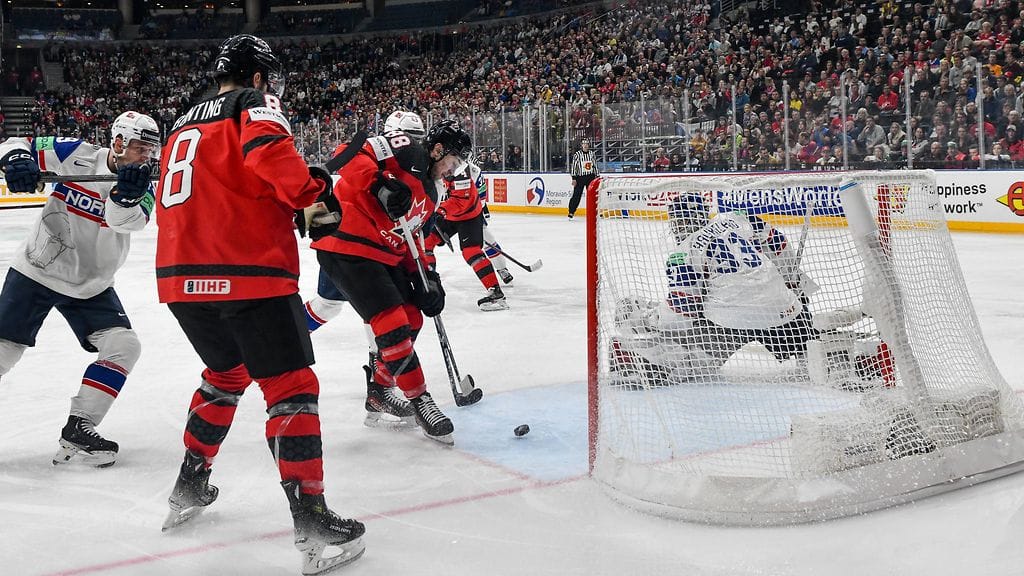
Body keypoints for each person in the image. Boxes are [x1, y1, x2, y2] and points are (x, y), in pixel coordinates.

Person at [154, 35, 364, 575]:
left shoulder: (182, 123)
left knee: (225, 375)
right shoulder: (254, 105)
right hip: (248, 274)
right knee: (290, 388)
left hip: (181, 280)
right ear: (257, 77)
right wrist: (311, 192)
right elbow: (272, 158)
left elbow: (214, 186)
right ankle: (311, 516)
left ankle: (189, 483)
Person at [0, 111, 159, 468]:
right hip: (37, 270)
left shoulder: (143, 185)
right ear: (117, 142)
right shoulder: (75, 153)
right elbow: (15, 143)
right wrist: (18, 160)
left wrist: (125, 196)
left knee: (123, 346)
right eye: (139, 148)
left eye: (150, 150)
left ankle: (80, 426)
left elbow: (125, 222)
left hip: (91, 282)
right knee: (3, 353)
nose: (146, 157)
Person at [610, 194, 890, 391]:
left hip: (729, 322)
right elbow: (778, 244)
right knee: (807, 346)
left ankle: (651, 362)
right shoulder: (737, 218)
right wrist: (789, 281)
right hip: (784, 310)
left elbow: (681, 316)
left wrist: (651, 319)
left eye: (677, 223)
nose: (676, 228)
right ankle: (856, 355)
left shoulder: (683, 254)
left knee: (695, 355)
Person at [310, 118, 471, 445]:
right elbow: (345, 153)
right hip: (344, 239)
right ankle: (420, 399)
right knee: (387, 320)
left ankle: (380, 391)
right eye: (451, 163)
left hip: (383, 253)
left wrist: (427, 278)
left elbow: (414, 239)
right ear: (438, 150)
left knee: (412, 316)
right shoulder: (406, 149)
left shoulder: (434, 191)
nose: (451, 171)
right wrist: (378, 184)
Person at [434, 157, 509, 311]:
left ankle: (498, 286)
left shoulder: (466, 170)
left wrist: (483, 211)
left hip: (470, 213)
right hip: (449, 213)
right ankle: (426, 284)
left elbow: (464, 200)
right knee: (426, 241)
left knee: (472, 251)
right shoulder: (435, 163)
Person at [567, 138, 598, 219]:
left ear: (589, 145)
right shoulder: (577, 154)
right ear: (581, 145)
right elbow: (574, 166)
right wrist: (574, 178)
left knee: (593, 195)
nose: (585, 145)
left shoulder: (592, 154)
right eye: (584, 144)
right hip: (580, 177)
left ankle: (594, 211)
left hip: (590, 177)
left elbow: (595, 165)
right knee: (576, 195)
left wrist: (597, 176)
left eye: (587, 144)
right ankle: (571, 211)